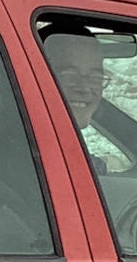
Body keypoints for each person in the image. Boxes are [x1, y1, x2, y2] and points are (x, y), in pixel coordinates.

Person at [40, 26, 109, 178]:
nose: (84, 88)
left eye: (95, 77)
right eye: (69, 75)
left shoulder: (68, 155)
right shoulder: (33, 163)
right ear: (38, 77)